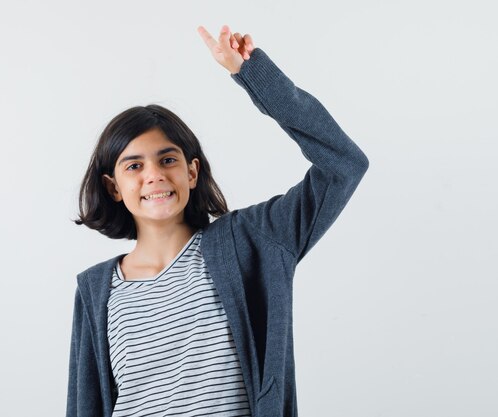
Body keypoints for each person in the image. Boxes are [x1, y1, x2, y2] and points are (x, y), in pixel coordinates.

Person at [66, 24, 369, 417]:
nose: (154, 175)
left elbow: (343, 164)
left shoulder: (252, 242)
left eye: (168, 159)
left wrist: (253, 76)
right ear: (113, 188)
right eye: (134, 165)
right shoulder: (97, 290)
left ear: (191, 173)